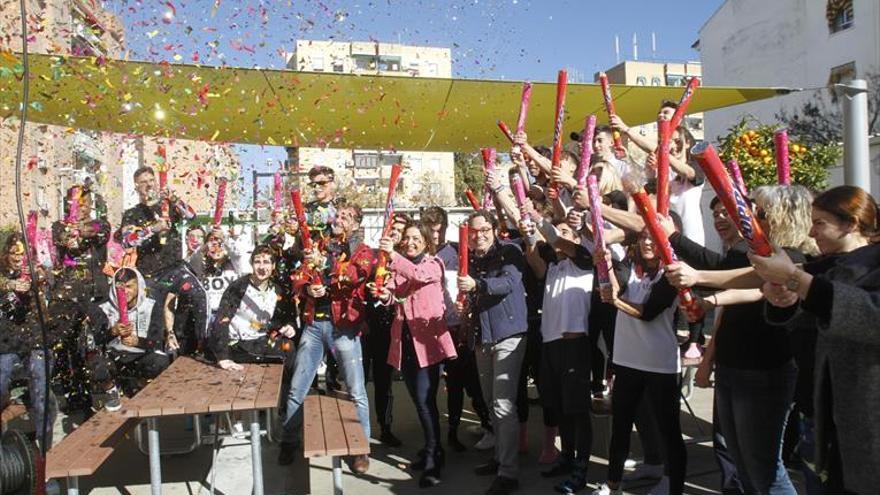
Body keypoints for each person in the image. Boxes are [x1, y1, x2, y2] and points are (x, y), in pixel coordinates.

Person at [664, 185, 818, 494]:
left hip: (765, 372)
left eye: (759, 213)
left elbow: (752, 278)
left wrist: (698, 276)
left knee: (765, 466)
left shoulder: (797, 260)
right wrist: (711, 304)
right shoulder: (765, 258)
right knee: (742, 462)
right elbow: (751, 287)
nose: (750, 219)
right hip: (734, 366)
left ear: (782, 218)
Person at [751, 185, 880, 495]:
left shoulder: (869, 265)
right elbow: (809, 321)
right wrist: (784, 300)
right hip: (831, 419)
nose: (812, 231)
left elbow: (870, 317)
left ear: (850, 223)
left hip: (867, 423)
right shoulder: (831, 268)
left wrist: (796, 281)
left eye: (821, 222)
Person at [591, 229, 687, 495]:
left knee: (669, 429)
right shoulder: (631, 265)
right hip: (627, 359)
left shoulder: (672, 273)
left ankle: (671, 484)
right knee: (621, 425)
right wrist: (605, 263)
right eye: (643, 237)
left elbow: (647, 313)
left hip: (660, 362)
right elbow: (616, 285)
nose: (646, 242)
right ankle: (613, 485)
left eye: (653, 238)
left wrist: (615, 302)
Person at [279, 203, 373, 474]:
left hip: (344, 327)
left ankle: (360, 448)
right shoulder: (319, 244)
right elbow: (297, 276)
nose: (340, 220)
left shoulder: (361, 249)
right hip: (314, 326)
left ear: (356, 223)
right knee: (298, 387)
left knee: (356, 390)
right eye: (338, 215)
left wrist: (327, 275)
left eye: (347, 217)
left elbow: (358, 274)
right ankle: (289, 440)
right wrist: (309, 287)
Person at [375, 221, 458, 488]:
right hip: (406, 344)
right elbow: (394, 295)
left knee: (425, 402)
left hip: (427, 343)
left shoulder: (433, 264)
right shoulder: (398, 266)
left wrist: (393, 257)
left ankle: (435, 455)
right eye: (407, 238)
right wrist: (383, 293)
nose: (410, 242)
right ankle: (433, 448)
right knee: (419, 400)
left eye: (416, 238)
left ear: (425, 241)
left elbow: (417, 276)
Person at [457, 210, 529, 495]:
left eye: (484, 229)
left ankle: (509, 473)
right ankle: (501, 457)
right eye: (474, 232)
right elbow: (472, 294)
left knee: (502, 404)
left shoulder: (510, 251)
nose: (479, 235)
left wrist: (478, 285)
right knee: (490, 401)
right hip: (482, 337)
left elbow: (508, 284)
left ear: (494, 229)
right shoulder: (470, 258)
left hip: (509, 334)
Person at [522, 218, 595, 494]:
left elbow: (555, 239)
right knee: (559, 406)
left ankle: (582, 468)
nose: (559, 237)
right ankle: (567, 457)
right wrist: (529, 231)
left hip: (574, 345)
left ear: (576, 239)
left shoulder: (584, 260)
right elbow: (534, 259)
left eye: (566, 232)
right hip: (550, 344)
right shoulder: (554, 265)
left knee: (578, 410)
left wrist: (543, 224)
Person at [421, 206, 493, 453]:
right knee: (429, 385)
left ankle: (484, 424)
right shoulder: (421, 253)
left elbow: (468, 283)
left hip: (456, 326)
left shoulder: (455, 251)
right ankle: (437, 435)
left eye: (439, 231)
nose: (435, 237)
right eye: (431, 231)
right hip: (430, 327)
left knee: (464, 381)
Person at [119, 166, 207, 356]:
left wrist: (175, 199)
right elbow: (126, 241)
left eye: (151, 180)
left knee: (198, 295)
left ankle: (201, 345)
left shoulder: (167, 206)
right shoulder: (132, 213)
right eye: (143, 182)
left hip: (175, 269)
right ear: (136, 186)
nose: (149, 185)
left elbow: (192, 217)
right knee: (155, 317)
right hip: (151, 275)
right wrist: (152, 229)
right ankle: (156, 355)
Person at [85, 267, 170, 409]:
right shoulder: (103, 307)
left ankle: (140, 385)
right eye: (120, 287)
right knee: (95, 364)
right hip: (114, 355)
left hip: (141, 355)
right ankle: (111, 390)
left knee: (160, 361)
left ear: (139, 286)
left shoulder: (151, 305)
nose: (125, 292)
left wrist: (139, 342)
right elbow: (96, 340)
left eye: (130, 286)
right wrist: (112, 332)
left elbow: (157, 340)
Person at [0, 233, 57, 448]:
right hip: (6, 341)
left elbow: (51, 280)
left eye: (21, 253)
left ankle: (45, 447)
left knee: (41, 388)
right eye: (13, 252)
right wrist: (9, 285)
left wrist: (41, 279)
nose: (17, 257)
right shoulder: (3, 275)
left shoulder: (36, 270)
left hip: (35, 339)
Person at [362, 212, 411, 447]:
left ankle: (385, 426)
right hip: (363, 327)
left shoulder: (402, 260)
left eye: (400, 229)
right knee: (357, 382)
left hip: (388, 328)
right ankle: (357, 430)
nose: (394, 231)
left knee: (383, 382)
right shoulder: (371, 256)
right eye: (392, 226)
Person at [209, 245, 296, 370]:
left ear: (273, 266)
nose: (261, 267)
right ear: (251, 264)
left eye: (266, 262)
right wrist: (223, 357)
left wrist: (289, 326)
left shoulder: (276, 289)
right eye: (257, 262)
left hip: (260, 339)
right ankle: (287, 388)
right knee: (288, 348)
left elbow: (285, 317)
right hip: (237, 344)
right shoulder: (239, 287)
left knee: (288, 346)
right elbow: (221, 320)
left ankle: (285, 387)